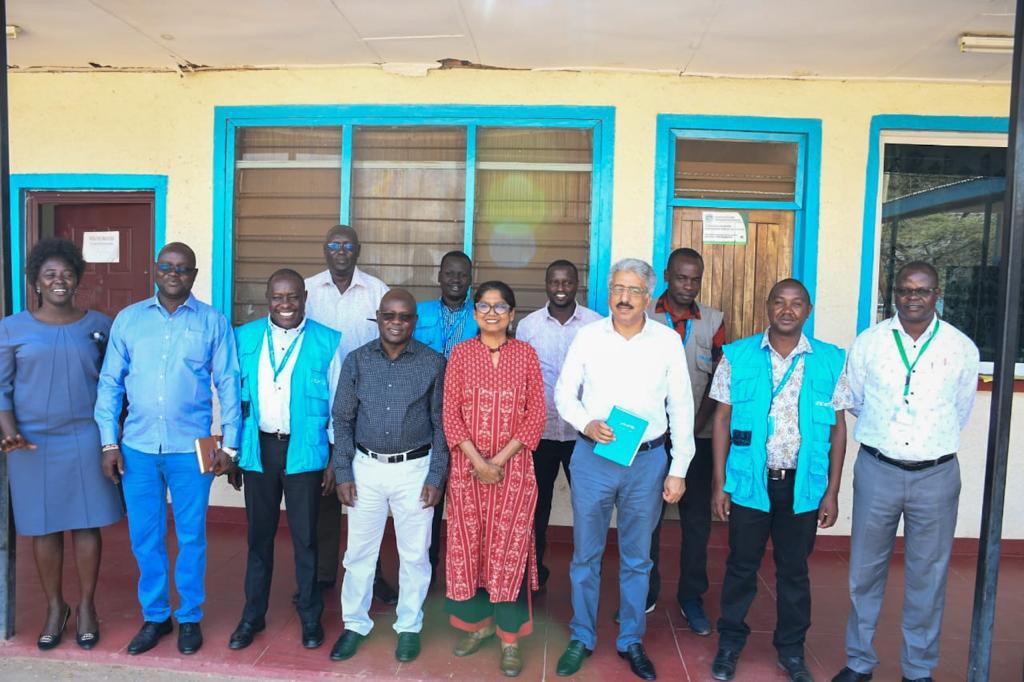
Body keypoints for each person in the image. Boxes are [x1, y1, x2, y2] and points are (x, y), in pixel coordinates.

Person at [832, 262, 979, 682]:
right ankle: (859, 662)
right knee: (864, 572)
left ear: (937, 294)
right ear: (894, 294)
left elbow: (961, 409)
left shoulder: (961, 348)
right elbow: (856, 401)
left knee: (927, 577)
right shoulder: (870, 343)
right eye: (905, 290)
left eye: (922, 290)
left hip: (936, 475)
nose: (913, 297)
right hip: (878, 469)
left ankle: (917, 669)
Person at [95, 242, 241, 656]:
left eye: (182, 268)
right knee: (145, 536)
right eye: (167, 266)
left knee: (192, 536)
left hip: (190, 449)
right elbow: (110, 383)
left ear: (194, 274)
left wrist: (231, 445)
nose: (174, 274)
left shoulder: (212, 321)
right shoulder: (129, 320)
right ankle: (156, 616)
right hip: (137, 447)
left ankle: (189, 616)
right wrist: (108, 442)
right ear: (155, 270)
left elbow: (229, 382)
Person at [554, 258, 694, 681]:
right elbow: (564, 393)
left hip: (647, 461)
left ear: (648, 297)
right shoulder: (588, 337)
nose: (624, 297)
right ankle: (581, 635)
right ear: (609, 292)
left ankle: (631, 638)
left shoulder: (666, 341)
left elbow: (681, 405)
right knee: (586, 554)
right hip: (595, 457)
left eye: (634, 290)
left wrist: (679, 467)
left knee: (638, 557)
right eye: (618, 288)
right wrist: (585, 423)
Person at [708, 278, 851, 682]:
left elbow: (839, 428)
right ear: (767, 306)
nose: (787, 310)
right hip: (749, 481)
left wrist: (832, 491)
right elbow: (721, 419)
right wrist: (719, 483)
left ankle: (791, 651)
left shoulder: (830, 359)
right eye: (779, 302)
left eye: (796, 303)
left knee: (794, 570)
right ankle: (729, 644)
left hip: (803, 485)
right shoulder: (737, 356)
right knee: (741, 565)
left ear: (808, 310)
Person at [0, 238, 123, 651]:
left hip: (85, 436)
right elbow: (1, 387)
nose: (59, 280)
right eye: (49, 274)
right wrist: (9, 430)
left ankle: (87, 606)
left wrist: (113, 437)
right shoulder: (12, 328)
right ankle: (56, 607)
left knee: (87, 522)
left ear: (77, 279)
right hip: (31, 443)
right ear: (35, 281)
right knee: (44, 526)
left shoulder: (100, 326)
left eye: (67, 273)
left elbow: (115, 385)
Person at [329, 289, 448, 664]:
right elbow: (342, 419)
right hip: (365, 468)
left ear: (414, 321)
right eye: (389, 315)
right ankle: (354, 623)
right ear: (378, 318)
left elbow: (442, 425)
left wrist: (436, 475)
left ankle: (409, 626)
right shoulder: (357, 360)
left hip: (415, 469)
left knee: (415, 555)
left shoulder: (433, 363)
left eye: (404, 316)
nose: (396, 322)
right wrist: (343, 470)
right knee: (359, 554)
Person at [227, 270, 339, 652]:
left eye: (292, 296)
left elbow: (338, 404)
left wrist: (334, 459)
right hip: (258, 449)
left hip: (305, 450)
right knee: (259, 538)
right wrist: (233, 452)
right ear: (267, 297)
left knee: (306, 539)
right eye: (278, 296)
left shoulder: (328, 340)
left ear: (305, 297)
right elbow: (232, 398)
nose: (285, 304)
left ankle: (310, 615)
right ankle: (252, 615)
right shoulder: (244, 337)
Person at [442, 281, 546, 678]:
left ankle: (509, 639)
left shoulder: (526, 354)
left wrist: (497, 462)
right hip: (467, 471)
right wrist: (478, 462)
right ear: (474, 313)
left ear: (512, 314)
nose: (491, 313)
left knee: (508, 551)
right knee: (472, 550)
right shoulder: (461, 354)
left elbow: (536, 415)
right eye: (484, 306)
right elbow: (450, 414)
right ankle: (478, 627)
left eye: (500, 306)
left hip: (514, 472)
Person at [304, 224, 398, 605]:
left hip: (367, 404)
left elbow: (390, 343)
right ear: (325, 250)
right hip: (316, 404)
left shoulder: (376, 291)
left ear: (358, 250)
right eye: (334, 244)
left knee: (367, 497)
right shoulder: (307, 290)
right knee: (324, 492)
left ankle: (373, 576)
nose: (340, 250)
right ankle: (324, 574)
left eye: (347, 245)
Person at [637, 247, 725, 633]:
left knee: (696, 522)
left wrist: (690, 429)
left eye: (695, 279)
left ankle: (691, 596)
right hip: (652, 440)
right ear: (667, 276)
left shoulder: (714, 321)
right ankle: (645, 592)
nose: (688, 286)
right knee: (647, 520)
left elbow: (719, 382)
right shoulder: (644, 316)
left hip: (698, 438)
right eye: (681, 278)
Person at [515, 259, 601, 589]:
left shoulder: (595, 324)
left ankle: (587, 576)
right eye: (555, 281)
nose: (561, 288)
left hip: (584, 436)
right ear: (546, 284)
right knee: (536, 508)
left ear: (577, 284)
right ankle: (532, 573)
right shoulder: (528, 326)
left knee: (588, 508)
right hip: (540, 433)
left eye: (567, 282)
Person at [412, 250, 478, 580]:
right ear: (439, 277)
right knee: (428, 498)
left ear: (471, 279)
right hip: (424, 415)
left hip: (469, 418)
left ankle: (465, 573)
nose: (455, 280)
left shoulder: (482, 315)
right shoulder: (419, 312)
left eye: (462, 274)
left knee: (467, 500)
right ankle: (428, 570)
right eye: (449, 273)